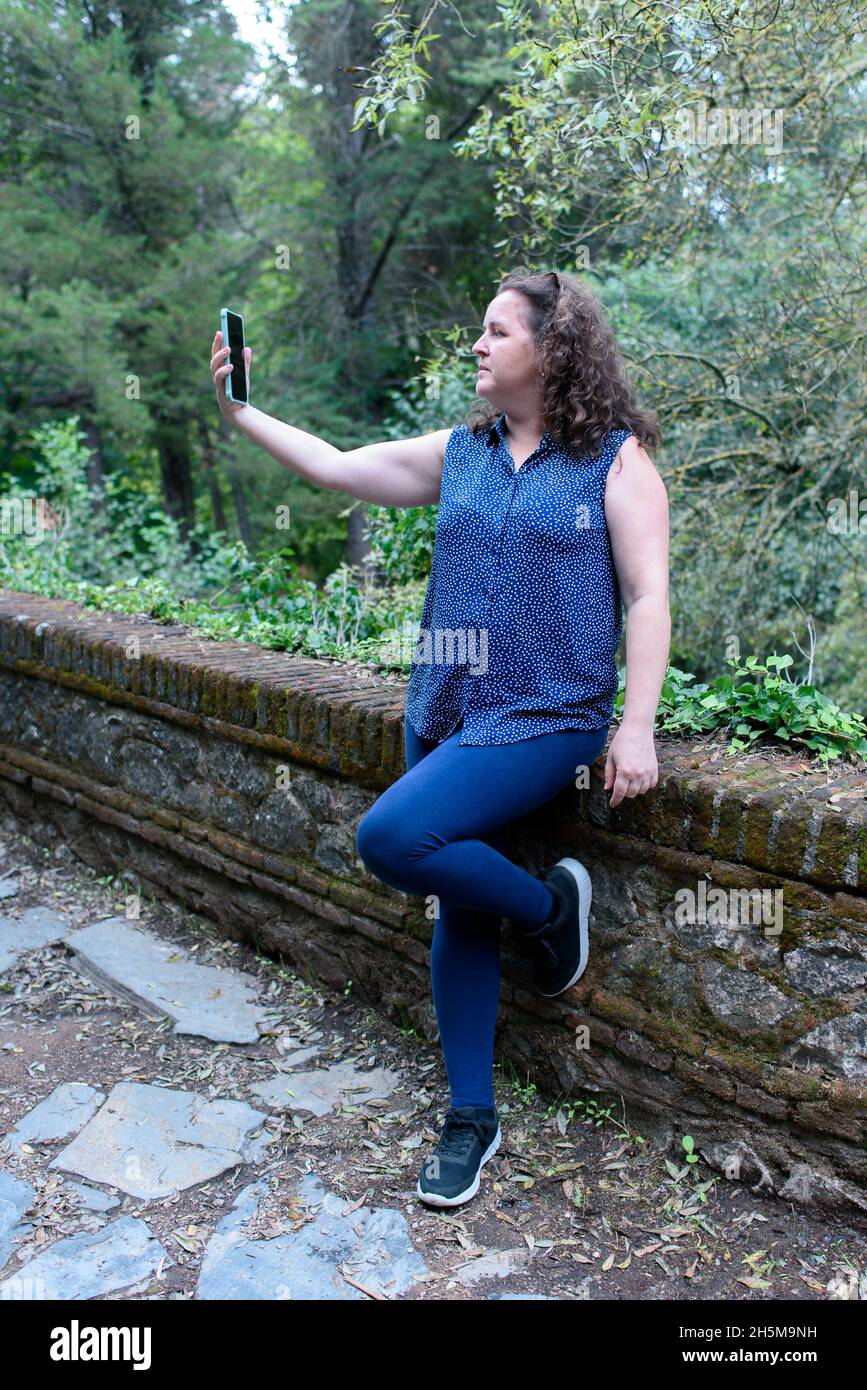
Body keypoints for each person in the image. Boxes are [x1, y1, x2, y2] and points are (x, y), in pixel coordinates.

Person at [209, 268, 670, 1209]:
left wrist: (635, 727)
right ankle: (473, 1115)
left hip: (549, 715)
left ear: (552, 349)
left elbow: (649, 594)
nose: (478, 345)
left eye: (497, 332)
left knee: (391, 839)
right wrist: (237, 410)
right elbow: (339, 466)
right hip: (445, 712)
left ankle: (547, 914)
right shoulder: (460, 451)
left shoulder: (615, 462)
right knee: (453, 901)